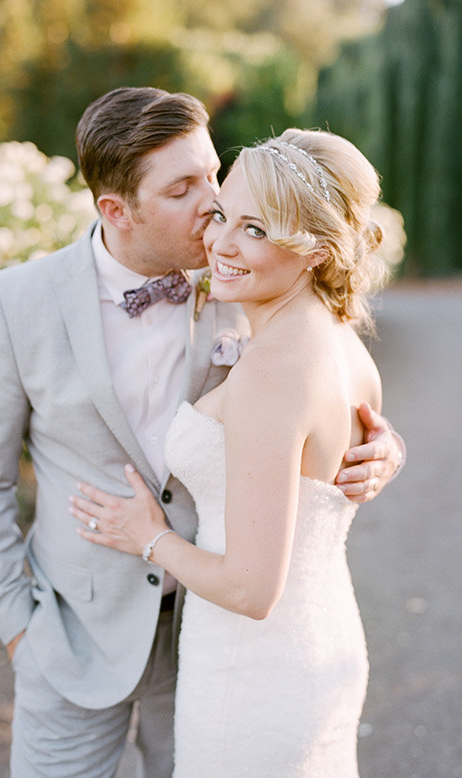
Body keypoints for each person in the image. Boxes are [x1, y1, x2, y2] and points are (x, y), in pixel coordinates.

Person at [0, 87, 403, 778]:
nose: (214, 205)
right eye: (183, 188)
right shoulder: (18, 303)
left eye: (213, 174)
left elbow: (322, 385)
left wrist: (380, 447)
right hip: (71, 636)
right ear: (116, 210)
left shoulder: (245, 278)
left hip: (210, 629)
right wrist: (19, 629)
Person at [69, 128, 398, 777]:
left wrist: (148, 536)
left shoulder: (271, 370)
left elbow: (250, 588)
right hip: (318, 644)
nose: (220, 243)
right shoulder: (343, 344)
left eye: (256, 229)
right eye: (223, 215)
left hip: (252, 673)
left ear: (316, 251)